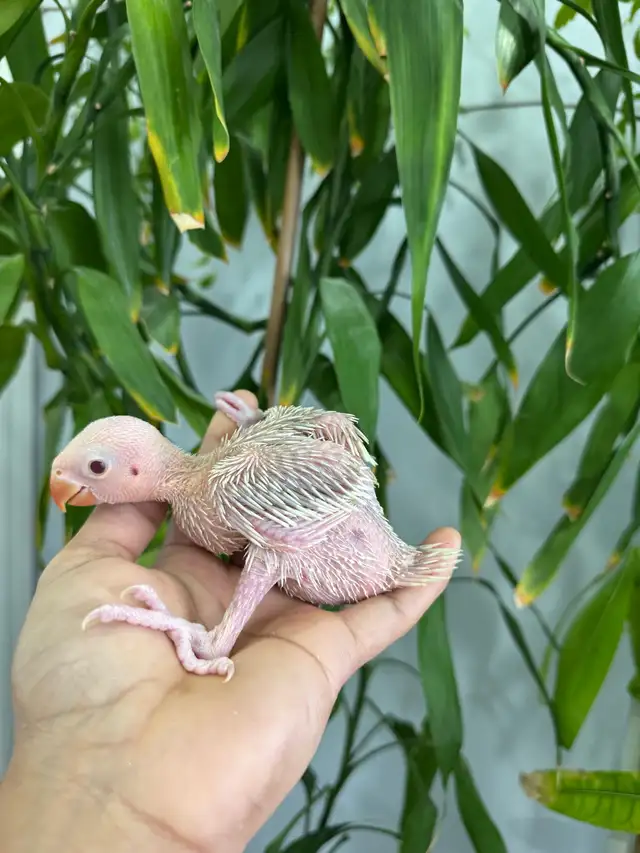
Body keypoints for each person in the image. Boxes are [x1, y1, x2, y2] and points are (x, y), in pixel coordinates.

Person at [0, 390, 459, 853]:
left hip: (353, 559)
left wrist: (215, 641)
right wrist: (261, 424)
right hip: (327, 536)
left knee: (262, 537)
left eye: (96, 469)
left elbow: (271, 553)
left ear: (137, 470)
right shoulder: (209, 483)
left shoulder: (220, 485)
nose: (69, 483)